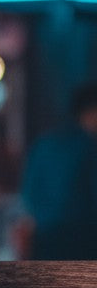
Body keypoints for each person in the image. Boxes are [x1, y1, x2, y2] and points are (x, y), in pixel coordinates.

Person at [17, 83, 97, 260]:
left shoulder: (44, 143)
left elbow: (27, 193)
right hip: (83, 236)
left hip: (44, 237)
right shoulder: (89, 147)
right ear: (90, 112)